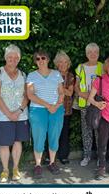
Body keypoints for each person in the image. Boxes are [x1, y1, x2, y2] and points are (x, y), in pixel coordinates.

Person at [0, 44, 30, 183]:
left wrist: (18, 111)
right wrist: (9, 114)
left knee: (17, 141)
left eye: (16, 57)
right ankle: (5, 170)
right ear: (5, 58)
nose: (13, 59)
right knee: (4, 143)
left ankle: (15, 169)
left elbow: (27, 95)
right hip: (2, 116)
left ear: (19, 58)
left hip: (20, 114)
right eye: (10, 57)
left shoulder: (24, 75)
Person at [27, 50, 65, 178]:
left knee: (54, 136)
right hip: (38, 110)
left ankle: (52, 162)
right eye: (37, 59)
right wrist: (48, 105)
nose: (41, 61)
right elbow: (30, 95)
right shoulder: (31, 75)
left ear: (48, 59)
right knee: (39, 137)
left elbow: (61, 92)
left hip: (56, 109)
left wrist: (57, 105)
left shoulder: (56, 74)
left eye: (43, 58)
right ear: (35, 62)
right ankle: (38, 165)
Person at [74, 43, 103, 166]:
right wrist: (85, 95)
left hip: (98, 104)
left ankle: (99, 157)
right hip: (84, 104)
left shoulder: (102, 66)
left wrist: (93, 98)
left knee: (99, 131)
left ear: (98, 53)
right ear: (86, 54)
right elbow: (76, 86)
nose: (92, 54)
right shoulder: (80, 67)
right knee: (86, 131)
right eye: (90, 52)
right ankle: (87, 156)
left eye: (95, 52)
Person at [53, 51, 75, 165]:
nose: (62, 64)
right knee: (52, 133)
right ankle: (50, 156)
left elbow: (70, 93)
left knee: (64, 134)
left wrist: (58, 88)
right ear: (56, 63)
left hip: (66, 109)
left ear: (68, 63)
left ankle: (63, 156)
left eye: (65, 62)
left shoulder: (70, 76)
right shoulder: (51, 74)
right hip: (53, 108)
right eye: (60, 62)